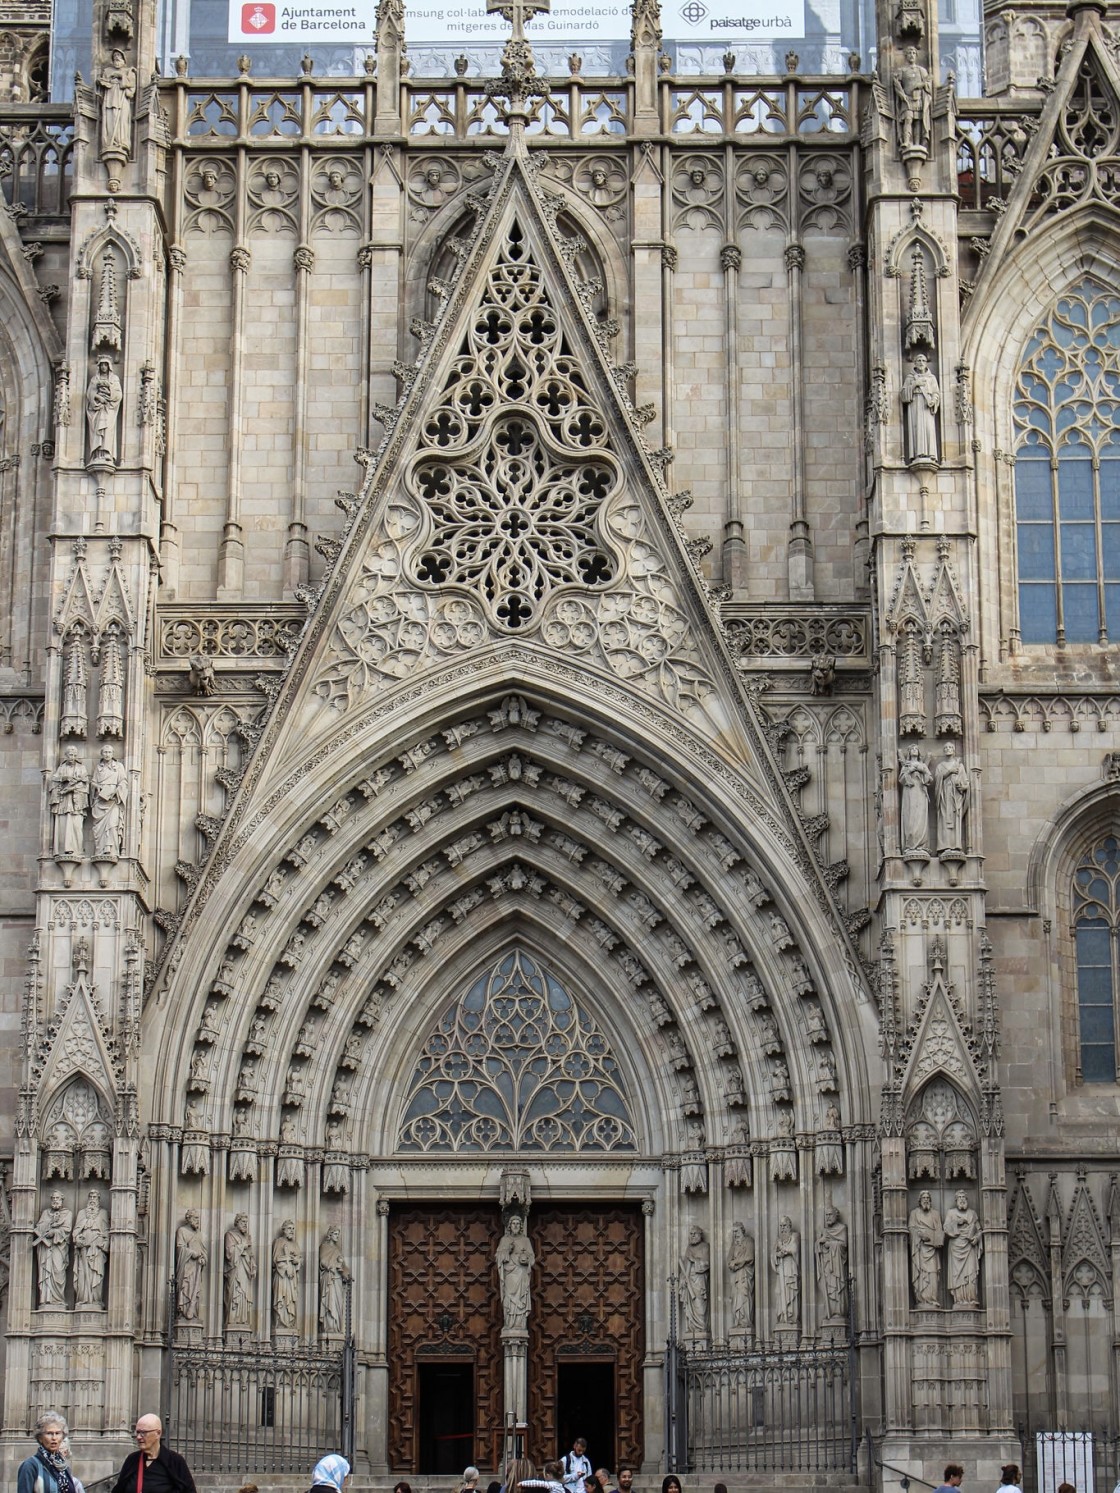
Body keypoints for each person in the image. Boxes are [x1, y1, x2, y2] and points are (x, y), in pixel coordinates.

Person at [110, 1415, 197, 1493]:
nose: (139, 1437)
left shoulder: (175, 1461)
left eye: (143, 1433)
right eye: (137, 1432)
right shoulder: (132, 1459)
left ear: (158, 1433)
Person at [17, 1412, 75, 1493]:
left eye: (57, 1433)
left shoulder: (63, 1466)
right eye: (49, 1433)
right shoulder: (30, 1466)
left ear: (62, 1437)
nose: (54, 1438)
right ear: (40, 1438)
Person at [33, 1191, 74, 1307]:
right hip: (45, 1249)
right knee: (46, 1272)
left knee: (58, 1271)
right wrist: (50, 1223)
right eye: (53, 1198)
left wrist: (54, 1232)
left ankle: (58, 1299)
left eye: (58, 1198)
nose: (55, 1200)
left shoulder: (67, 1213)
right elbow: (39, 1228)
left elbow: (67, 1230)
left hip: (59, 1247)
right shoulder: (46, 1213)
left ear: (62, 1200)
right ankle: (46, 1299)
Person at [495, 1212, 535, 1330]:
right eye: (513, 1224)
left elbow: (532, 1258)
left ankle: (519, 1324)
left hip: (521, 1273)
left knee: (520, 1297)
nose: (516, 1226)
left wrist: (526, 1259)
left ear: (521, 1226)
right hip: (510, 1274)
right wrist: (507, 1250)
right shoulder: (504, 1240)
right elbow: (498, 1257)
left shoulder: (525, 1240)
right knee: (509, 1297)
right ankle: (509, 1323)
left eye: (518, 1224)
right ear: (509, 1226)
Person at [943, 1189, 983, 1306]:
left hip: (969, 1247)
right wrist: (957, 1222)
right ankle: (959, 1299)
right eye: (959, 1197)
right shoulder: (951, 1213)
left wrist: (977, 1238)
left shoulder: (972, 1213)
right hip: (956, 1246)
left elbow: (979, 1230)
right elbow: (945, 1228)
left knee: (970, 1274)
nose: (962, 1199)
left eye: (963, 1197)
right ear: (956, 1200)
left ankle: (970, 1299)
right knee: (958, 1276)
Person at [72, 1189, 110, 1307]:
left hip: (96, 1250)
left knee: (96, 1275)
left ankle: (95, 1300)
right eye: (91, 1196)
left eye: (95, 1197)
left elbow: (107, 1232)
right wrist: (77, 1239)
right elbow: (75, 1232)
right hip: (83, 1250)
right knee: (82, 1276)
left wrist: (102, 1243)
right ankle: (83, 1299)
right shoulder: (82, 1213)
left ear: (99, 1199)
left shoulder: (103, 1213)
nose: (93, 1199)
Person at [901, 353, 940, 464]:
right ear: (915, 363)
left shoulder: (931, 378)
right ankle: (918, 454)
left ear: (926, 363)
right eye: (919, 360)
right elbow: (903, 395)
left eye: (923, 360)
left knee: (928, 429)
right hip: (915, 406)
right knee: (916, 428)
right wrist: (914, 384)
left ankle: (930, 454)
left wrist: (933, 400)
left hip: (927, 408)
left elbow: (936, 393)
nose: (921, 363)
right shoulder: (910, 378)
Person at [90, 745, 128, 861]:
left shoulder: (119, 766)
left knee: (112, 825)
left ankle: (111, 850)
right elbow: (93, 782)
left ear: (113, 754)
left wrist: (115, 791)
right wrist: (98, 788)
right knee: (99, 828)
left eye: (109, 752)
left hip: (113, 801)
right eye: (105, 752)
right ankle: (100, 849)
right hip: (100, 800)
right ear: (102, 754)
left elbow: (123, 782)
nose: (107, 754)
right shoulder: (98, 768)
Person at [908, 1189, 943, 1305]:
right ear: (920, 1200)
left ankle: (932, 1299)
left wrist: (936, 1239)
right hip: (920, 1250)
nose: (926, 1200)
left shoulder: (936, 1214)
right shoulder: (914, 1213)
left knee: (932, 1274)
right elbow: (911, 1229)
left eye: (928, 1198)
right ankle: (921, 1300)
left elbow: (939, 1231)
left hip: (932, 1250)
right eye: (924, 1198)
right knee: (922, 1274)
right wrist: (919, 1235)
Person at [223, 1211, 256, 1329]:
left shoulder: (247, 1237)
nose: (245, 1225)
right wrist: (242, 1246)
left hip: (245, 1271)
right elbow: (229, 1254)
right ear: (236, 1223)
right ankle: (232, 1320)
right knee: (235, 1294)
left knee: (244, 1294)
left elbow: (251, 1255)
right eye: (243, 1222)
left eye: (246, 1223)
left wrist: (253, 1267)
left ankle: (242, 1320)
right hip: (235, 1271)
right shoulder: (230, 1235)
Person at [175, 1208, 207, 1322]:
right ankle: (183, 1312)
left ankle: (192, 1313)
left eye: (198, 1218)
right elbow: (180, 1249)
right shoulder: (182, 1231)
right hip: (186, 1267)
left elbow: (203, 1251)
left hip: (196, 1267)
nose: (198, 1221)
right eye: (196, 1218)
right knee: (186, 1288)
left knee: (195, 1290)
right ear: (189, 1219)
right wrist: (192, 1253)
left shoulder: (199, 1234)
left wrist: (203, 1259)